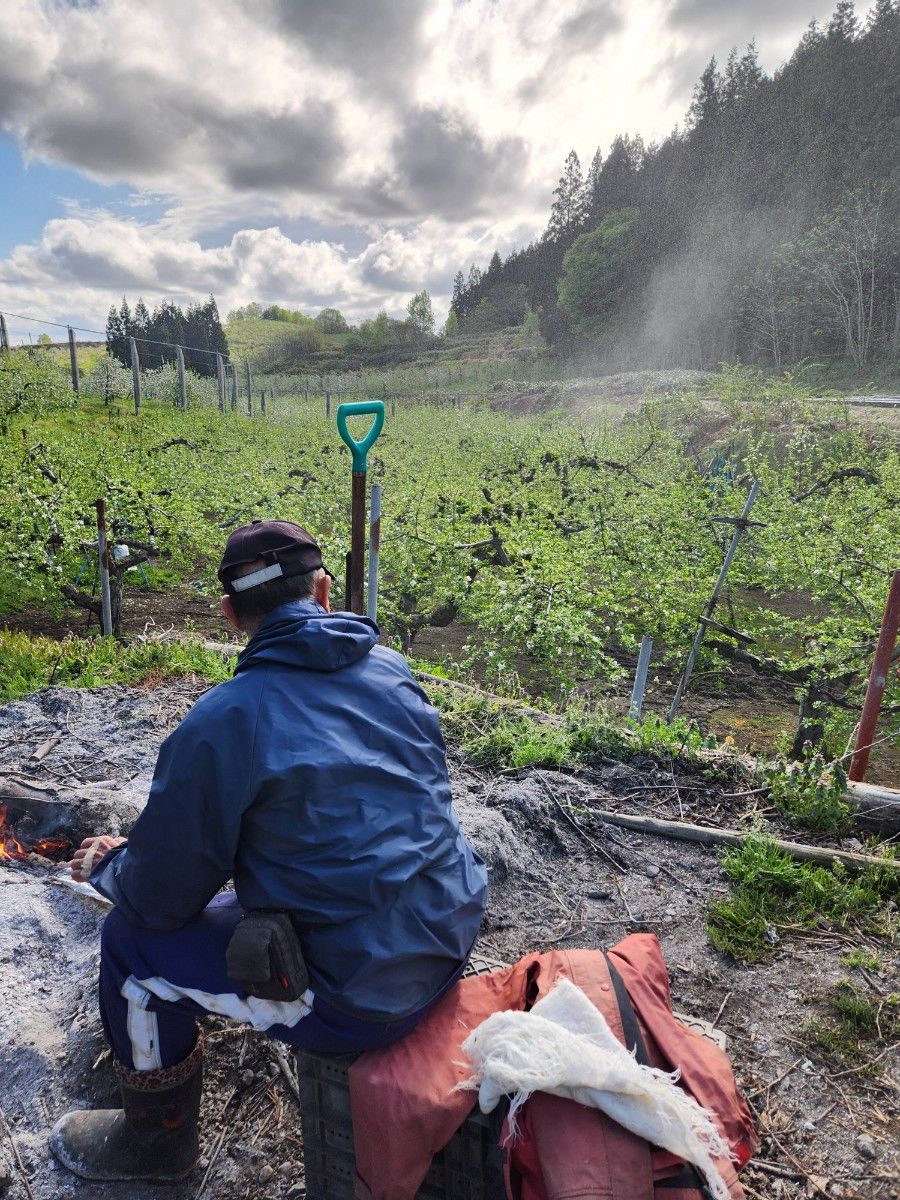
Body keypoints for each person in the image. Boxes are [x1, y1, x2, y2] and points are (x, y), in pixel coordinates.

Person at [51, 519, 488, 1183]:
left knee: (130, 950)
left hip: (363, 996)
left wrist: (113, 865)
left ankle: (156, 1150)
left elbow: (162, 898)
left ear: (230, 614)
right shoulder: (394, 671)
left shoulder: (223, 722)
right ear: (321, 591)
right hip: (448, 935)